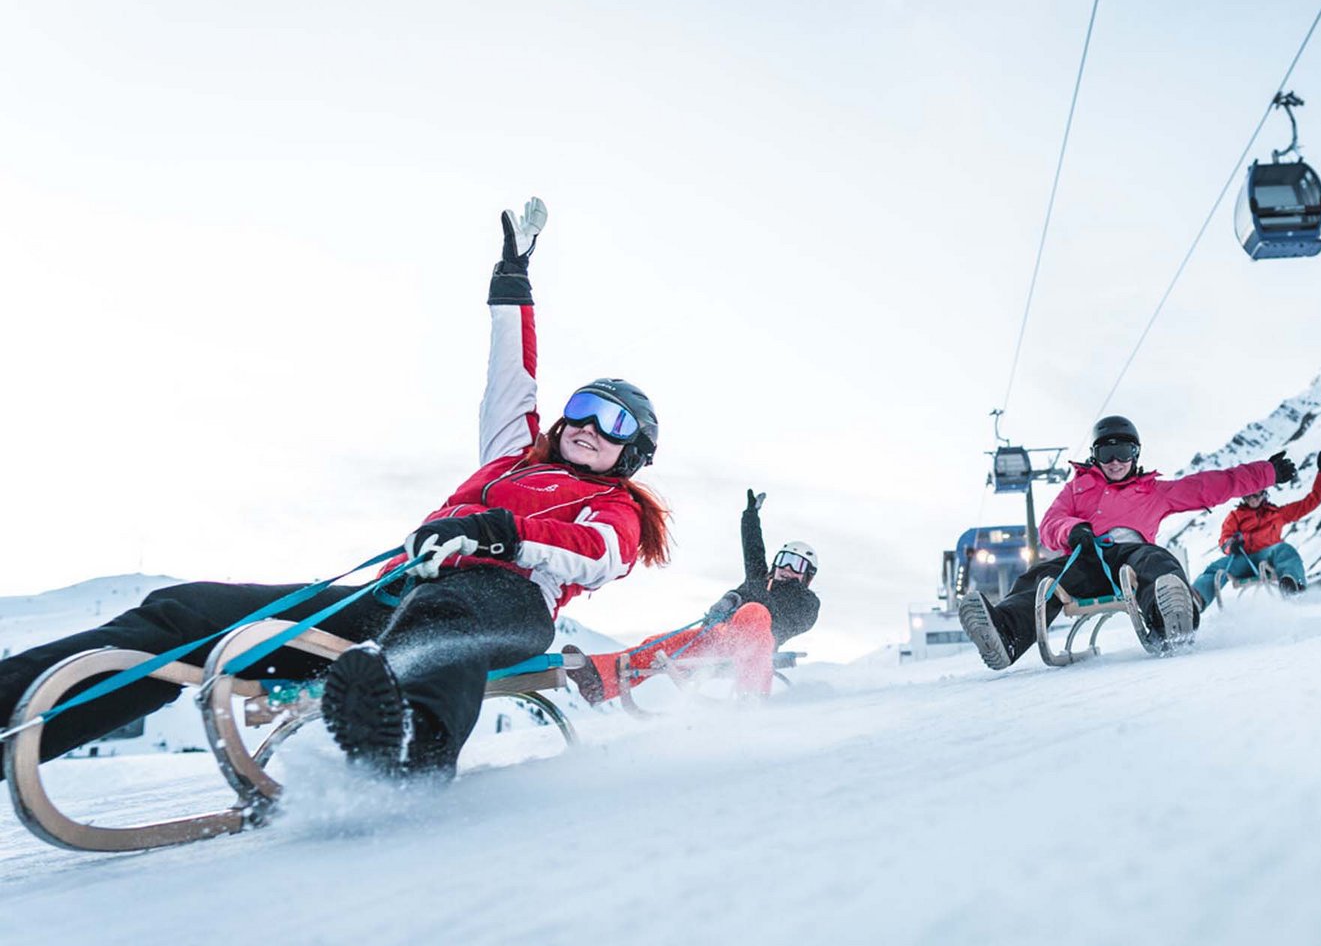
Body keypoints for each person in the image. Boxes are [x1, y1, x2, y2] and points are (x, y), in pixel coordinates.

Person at [0, 199, 672, 781]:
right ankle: (16, 711)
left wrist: (499, 531)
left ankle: (406, 754)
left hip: (506, 603)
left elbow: (599, 552)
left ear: (631, 453)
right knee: (184, 610)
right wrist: (513, 278)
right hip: (396, 597)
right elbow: (511, 373)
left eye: (612, 422)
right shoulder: (513, 458)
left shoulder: (616, 508)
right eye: (581, 407)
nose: (587, 425)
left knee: (447, 625)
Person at [957, 415, 1293, 669]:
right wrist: (1074, 530)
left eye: (1123, 451)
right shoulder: (1077, 488)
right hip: (1086, 560)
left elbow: (1210, 485)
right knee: (1042, 577)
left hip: (1132, 558)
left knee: (1157, 561)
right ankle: (1006, 634)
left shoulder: (1154, 492)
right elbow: (1050, 524)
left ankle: (1170, 620)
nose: (1115, 461)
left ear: (1135, 454)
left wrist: (1267, 473)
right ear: (1095, 456)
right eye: (1107, 452)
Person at [569, 490, 820, 702]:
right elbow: (753, 546)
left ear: (807, 576)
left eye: (797, 565)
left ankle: (751, 700)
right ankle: (600, 679)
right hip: (720, 637)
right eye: (785, 560)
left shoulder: (806, 601)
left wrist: (738, 600)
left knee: (754, 612)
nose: (787, 568)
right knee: (660, 645)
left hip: (758, 644)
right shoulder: (758, 579)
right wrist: (750, 515)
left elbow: (794, 621)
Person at [1191, 451, 1321, 610]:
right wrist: (1232, 545)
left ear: (1264, 494)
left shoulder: (1277, 514)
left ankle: (1291, 583)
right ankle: (1196, 599)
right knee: (1217, 567)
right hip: (1243, 560)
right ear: (1244, 497)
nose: (1253, 499)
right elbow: (1224, 541)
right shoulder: (1236, 516)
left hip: (1270, 557)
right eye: (1249, 496)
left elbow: (1312, 501)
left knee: (1284, 549)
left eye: (1257, 495)